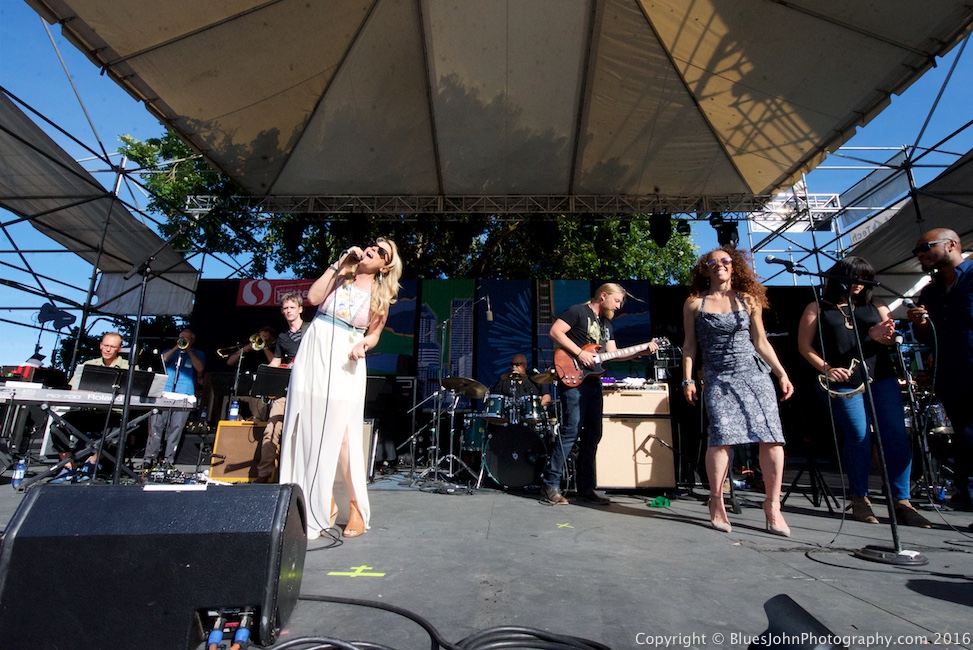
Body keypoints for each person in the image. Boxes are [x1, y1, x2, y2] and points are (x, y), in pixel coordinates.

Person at [279, 238, 402, 540]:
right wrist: (340, 263)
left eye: (381, 251)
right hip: (316, 348)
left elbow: (374, 333)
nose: (373, 249)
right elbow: (312, 296)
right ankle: (319, 502)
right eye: (373, 244)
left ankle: (356, 506)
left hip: (346, 358)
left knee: (343, 437)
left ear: (385, 265)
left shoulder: (380, 294)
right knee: (305, 427)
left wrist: (364, 344)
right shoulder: (342, 272)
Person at [797, 257, 930, 527]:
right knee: (858, 435)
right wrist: (826, 368)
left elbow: (893, 337)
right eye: (852, 276)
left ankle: (901, 501)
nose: (857, 283)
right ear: (838, 277)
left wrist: (886, 337)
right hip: (842, 380)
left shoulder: (876, 304)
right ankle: (860, 498)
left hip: (880, 376)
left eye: (863, 277)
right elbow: (804, 346)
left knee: (895, 435)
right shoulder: (818, 307)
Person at [681, 247, 793, 536]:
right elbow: (690, 345)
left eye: (725, 261)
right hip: (718, 376)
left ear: (734, 267)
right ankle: (716, 502)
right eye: (713, 262)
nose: (719, 265)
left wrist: (781, 373)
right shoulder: (695, 303)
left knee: (771, 437)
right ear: (706, 269)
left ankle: (773, 507)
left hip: (754, 374)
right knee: (721, 438)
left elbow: (761, 341)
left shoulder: (748, 299)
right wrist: (688, 379)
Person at [540, 283, 659, 505]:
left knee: (594, 433)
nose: (619, 305)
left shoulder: (606, 324)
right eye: (616, 300)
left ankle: (585, 487)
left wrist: (640, 350)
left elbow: (612, 354)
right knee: (570, 430)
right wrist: (578, 353)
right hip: (574, 379)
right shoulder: (578, 311)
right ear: (603, 296)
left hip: (593, 382)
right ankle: (550, 485)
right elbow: (555, 331)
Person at [907, 228, 973, 511]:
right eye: (918, 251)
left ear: (951, 245)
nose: (920, 255)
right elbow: (926, 337)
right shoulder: (930, 292)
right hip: (951, 374)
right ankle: (967, 494)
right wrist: (920, 323)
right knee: (965, 434)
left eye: (925, 247)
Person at [51, 332, 128, 482]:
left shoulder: (128, 367)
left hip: (112, 414)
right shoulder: (88, 365)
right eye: (105, 345)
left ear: (119, 348)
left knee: (116, 435)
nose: (107, 349)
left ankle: (92, 462)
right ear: (100, 345)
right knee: (57, 426)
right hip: (89, 412)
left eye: (112, 347)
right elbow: (74, 390)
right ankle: (68, 466)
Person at [254, 293, 309, 483]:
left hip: (308, 389)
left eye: (292, 307)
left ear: (300, 309)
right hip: (285, 389)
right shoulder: (283, 338)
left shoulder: (312, 330)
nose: (288, 311)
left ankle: (299, 474)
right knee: (272, 429)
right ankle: (264, 474)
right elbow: (276, 361)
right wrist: (265, 380)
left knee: (303, 431)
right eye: (285, 308)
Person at [145, 329, 205, 466]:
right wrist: (175, 349)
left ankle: (168, 460)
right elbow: (161, 361)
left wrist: (189, 351)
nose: (183, 341)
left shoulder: (198, 354)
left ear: (192, 340)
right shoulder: (170, 351)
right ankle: (150, 458)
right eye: (181, 338)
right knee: (156, 427)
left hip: (184, 395)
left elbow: (200, 369)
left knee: (176, 429)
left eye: (186, 339)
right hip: (164, 393)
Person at [225, 325, 276, 421]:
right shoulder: (249, 350)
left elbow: (274, 362)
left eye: (265, 337)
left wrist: (264, 347)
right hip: (243, 388)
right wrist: (243, 350)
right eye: (260, 336)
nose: (261, 339)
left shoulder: (272, 349)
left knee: (257, 417)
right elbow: (229, 362)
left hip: (260, 390)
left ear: (271, 339)